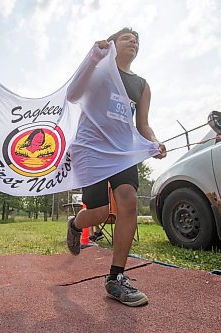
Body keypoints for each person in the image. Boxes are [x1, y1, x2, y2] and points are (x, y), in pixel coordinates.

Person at [66, 28, 166, 307]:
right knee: (98, 213)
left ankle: (116, 278)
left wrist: (154, 142)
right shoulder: (99, 70)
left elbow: (142, 124)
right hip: (92, 148)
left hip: (122, 151)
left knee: (128, 202)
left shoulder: (142, 85)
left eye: (137, 39)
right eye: (126, 38)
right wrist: (92, 59)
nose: (133, 41)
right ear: (112, 44)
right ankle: (75, 225)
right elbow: (73, 94)